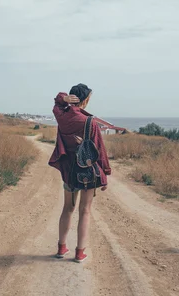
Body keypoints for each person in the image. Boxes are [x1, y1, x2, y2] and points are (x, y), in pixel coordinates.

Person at [48, 83, 111, 263]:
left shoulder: (62, 116)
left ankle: (61, 248)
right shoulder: (90, 122)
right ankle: (79, 252)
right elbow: (100, 150)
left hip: (69, 171)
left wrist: (62, 99)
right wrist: (105, 173)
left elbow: (56, 104)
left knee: (67, 208)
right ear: (85, 99)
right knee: (85, 210)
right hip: (88, 172)